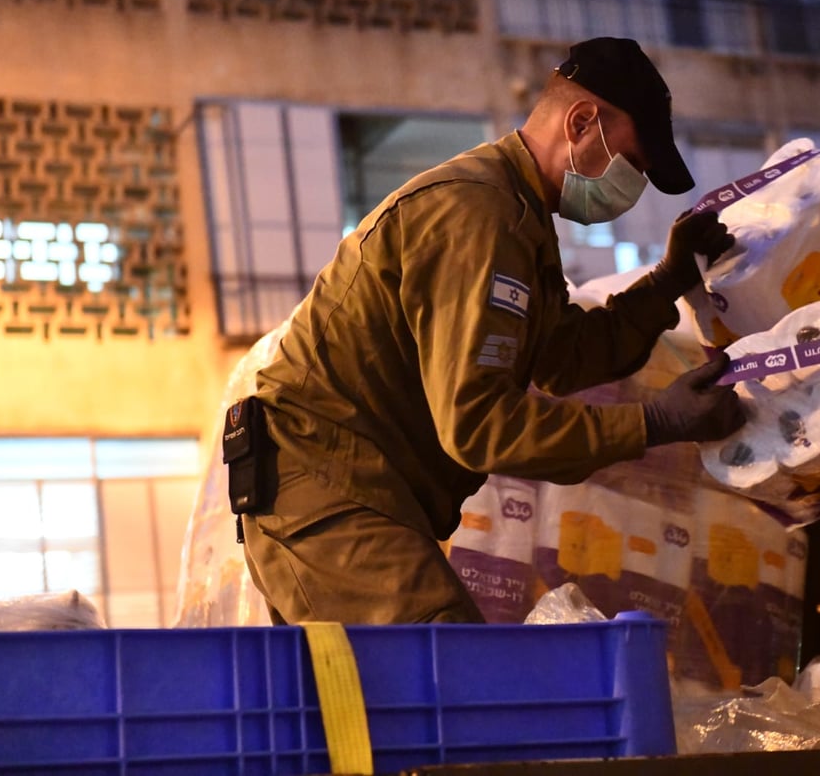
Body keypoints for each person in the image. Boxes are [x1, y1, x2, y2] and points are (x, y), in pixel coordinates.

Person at [237, 37, 744, 625]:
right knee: (454, 676)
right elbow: (477, 426)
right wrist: (655, 422)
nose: (631, 192)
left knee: (390, 701)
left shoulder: (518, 214)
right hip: (325, 482)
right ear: (581, 122)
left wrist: (666, 283)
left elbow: (560, 359)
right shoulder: (479, 213)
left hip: (347, 486)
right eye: (633, 166)